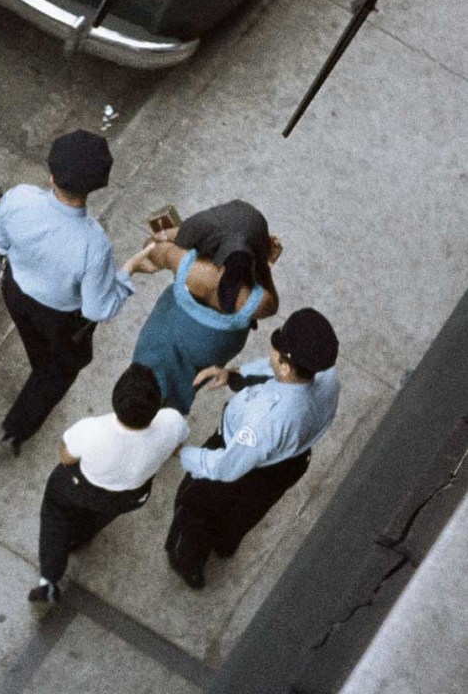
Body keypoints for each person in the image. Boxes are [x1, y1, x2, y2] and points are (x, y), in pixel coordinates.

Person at [0, 130, 158, 455]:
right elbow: (98, 309)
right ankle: (15, 430)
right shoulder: (94, 245)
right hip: (59, 317)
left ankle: (39, 367)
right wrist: (128, 272)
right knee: (63, 366)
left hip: (15, 290)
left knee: (36, 345)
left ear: (52, 174)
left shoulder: (19, 198)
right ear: (95, 187)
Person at [165, 307, 340, 589]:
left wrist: (180, 452)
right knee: (245, 513)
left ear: (284, 366)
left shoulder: (266, 419)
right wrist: (235, 376)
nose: (271, 351)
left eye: (276, 350)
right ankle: (225, 545)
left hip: (244, 463)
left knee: (195, 507)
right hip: (288, 463)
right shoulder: (327, 375)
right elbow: (272, 373)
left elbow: (224, 467)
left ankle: (186, 561)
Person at [29, 363, 188, 603]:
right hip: (129, 495)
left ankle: (49, 579)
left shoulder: (92, 429)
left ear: (116, 397)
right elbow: (178, 446)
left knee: (56, 513)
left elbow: (66, 457)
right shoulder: (172, 422)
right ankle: (76, 539)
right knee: (99, 516)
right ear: (156, 405)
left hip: (79, 486)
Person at [131, 237, 277, 415]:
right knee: (187, 382)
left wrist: (176, 233)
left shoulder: (187, 263)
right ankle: (169, 414)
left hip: (162, 333)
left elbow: (151, 246)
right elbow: (270, 300)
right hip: (213, 345)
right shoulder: (257, 302)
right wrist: (265, 263)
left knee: (142, 382)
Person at [160, 198, 282, 314]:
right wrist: (266, 266)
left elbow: (157, 248)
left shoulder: (185, 262)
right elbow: (271, 306)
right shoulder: (256, 301)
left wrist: (165, 236)